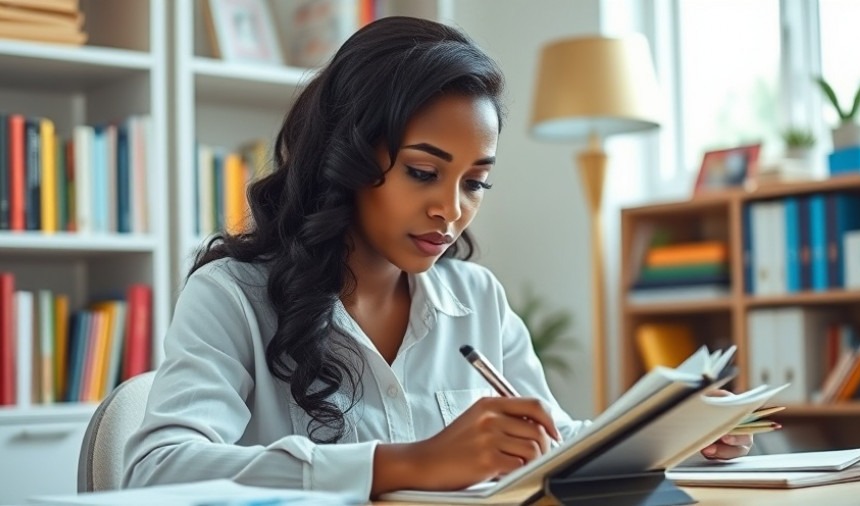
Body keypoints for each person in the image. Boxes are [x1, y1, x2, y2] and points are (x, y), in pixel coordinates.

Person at [122, 16, 750, 500]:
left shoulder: (476, 298)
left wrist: (679, 437)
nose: (450, 210)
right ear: (348, 157)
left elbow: (554, 446)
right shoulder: (234, 296)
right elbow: (155, 470)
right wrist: (411, 462)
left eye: (475, 182)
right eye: (423, 172)